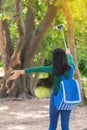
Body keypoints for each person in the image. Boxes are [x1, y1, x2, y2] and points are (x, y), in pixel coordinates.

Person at [9, 48, 76, 130]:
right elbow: (70, 59)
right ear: (64, 58)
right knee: (65, 126)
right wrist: (68, 53)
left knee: (52, 125)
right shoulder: (72, 68)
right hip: (68, 100)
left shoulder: (53, 68)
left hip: (55, 99)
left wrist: (20, 72)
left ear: (54, 58)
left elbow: (37, 69)